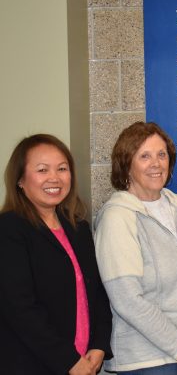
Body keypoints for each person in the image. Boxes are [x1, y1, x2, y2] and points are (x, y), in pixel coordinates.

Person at [94, 122, 177, 374]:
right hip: (145, 359)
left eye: (162, 155)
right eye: (144, 156)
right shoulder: (118, 217)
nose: (156, 163)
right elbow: (127, 298)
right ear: (127, 164)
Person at [0, 134, 112, 375]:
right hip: (32, 364)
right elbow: (20, 309)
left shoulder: (78, 227)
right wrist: (69, 361)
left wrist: (99, 345)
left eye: (62, 169)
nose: (54, 178)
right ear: (20, 179)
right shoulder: (9, 229)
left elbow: (97, 292)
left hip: (84, 360)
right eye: (42, 170)